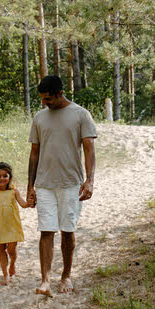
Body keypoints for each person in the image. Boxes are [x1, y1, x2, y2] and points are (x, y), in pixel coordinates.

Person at [26, 75, 97, 295]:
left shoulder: (80, 114)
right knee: (46, 231)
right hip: (45, 184)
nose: (44, 103)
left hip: (70, 183)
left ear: (60, 94)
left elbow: (89, 149)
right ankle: (45, 280)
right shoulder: (39, 118)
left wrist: (90, 180)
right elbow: (34, 153)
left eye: (48, 99)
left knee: (67, 230)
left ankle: (66, 276)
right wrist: (30, 186)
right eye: (42, 99)